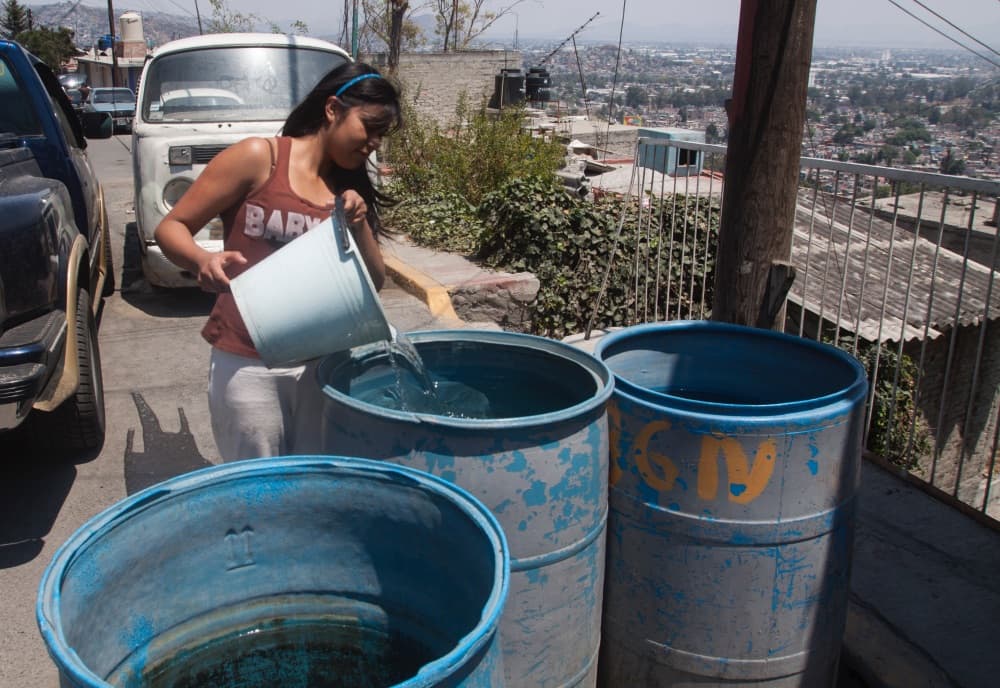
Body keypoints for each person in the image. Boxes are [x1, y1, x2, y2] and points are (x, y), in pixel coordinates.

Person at [154, 62, 402, 461]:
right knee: (258, 491)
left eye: (381, 134)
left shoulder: (346, 187)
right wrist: (202, 259)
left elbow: (374, 281)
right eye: (369, 126)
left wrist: (357, 226)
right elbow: (172, 226)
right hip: (249, 364)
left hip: (321, 367)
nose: (374, 142)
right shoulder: (260, 158)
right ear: (333, 109)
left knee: (309, 488)